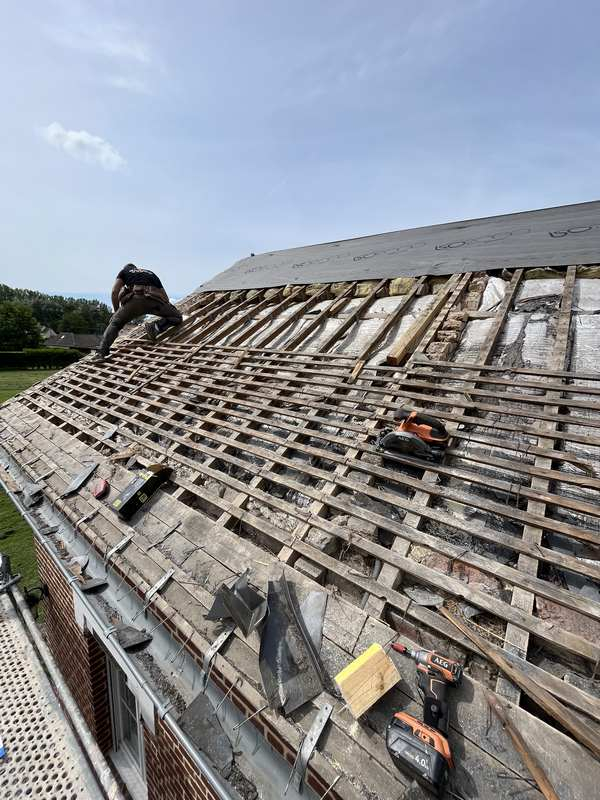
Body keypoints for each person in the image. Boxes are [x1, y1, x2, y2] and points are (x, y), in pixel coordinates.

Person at [92, 263, 183, 361]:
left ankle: (101, 353)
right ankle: (156, 327)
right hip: (152, 302)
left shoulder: (124, 272)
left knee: (115, 323)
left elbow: (115, 291)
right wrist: (168, 308)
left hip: (134, 302)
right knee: (177, 317)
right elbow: (165, 297)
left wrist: (116, 311)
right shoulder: (150, 273)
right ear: (136, 268)